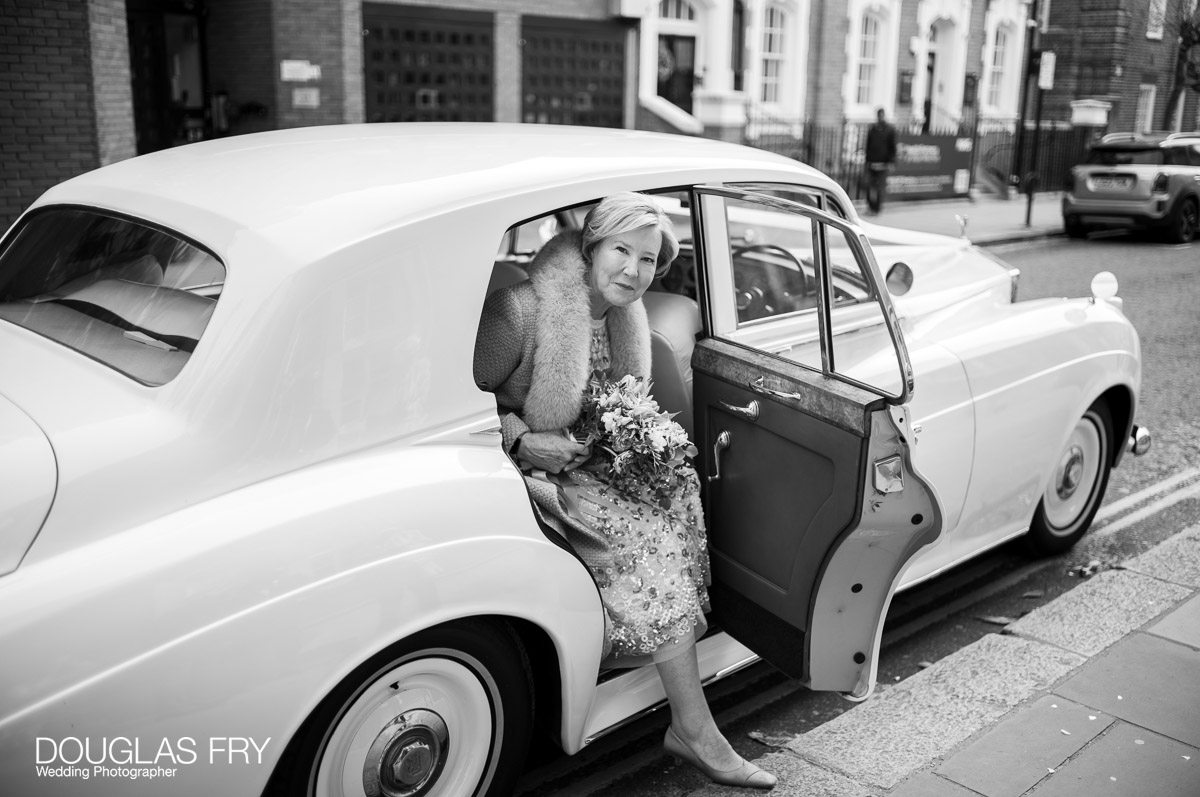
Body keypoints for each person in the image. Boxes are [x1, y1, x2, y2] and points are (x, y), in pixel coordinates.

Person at [474, 192, 776, 790]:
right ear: (590, 247)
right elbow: (448, 403)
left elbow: (613, 404)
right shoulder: (520, 310)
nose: (634, 271)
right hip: (516, 469)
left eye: (648, 259)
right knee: (650, 539)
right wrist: (521, 438)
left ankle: (664, 641)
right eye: (621, 251)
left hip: (587, 462)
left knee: (681, 489)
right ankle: (694, 727)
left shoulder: (624, 314)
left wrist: (642, 442)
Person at [864, 107, 897, 214]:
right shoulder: (872, 129)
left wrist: (891, 162)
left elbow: (893, 147)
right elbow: (868, 146)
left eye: (882, 115)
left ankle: (877, 208)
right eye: (879, 115)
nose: (880, 117)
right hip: (871, 163)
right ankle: (870, 206)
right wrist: (867, 160)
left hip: (883, 164)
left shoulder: (890, 130)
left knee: (879, 188)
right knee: (869, 186)